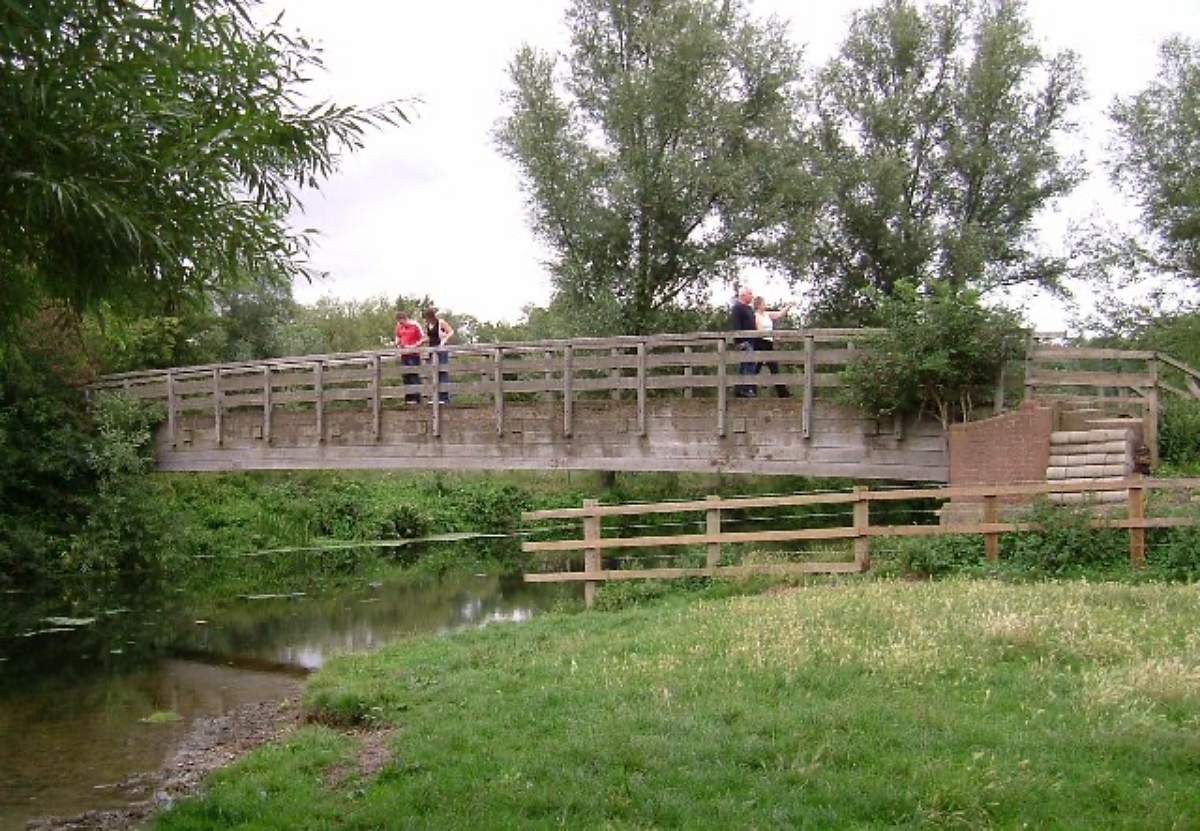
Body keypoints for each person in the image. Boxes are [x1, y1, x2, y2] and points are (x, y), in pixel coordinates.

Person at [753, 296, 793, 398]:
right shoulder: (756, 316)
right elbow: (760, 331)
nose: (765, 305)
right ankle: (749, 389)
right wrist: (774, 336)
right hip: (761, 343)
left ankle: (783, 393)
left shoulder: (767, 314)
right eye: (763, 303)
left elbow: (779, 314)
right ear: (759, 305)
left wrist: (789, 306)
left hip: (768, 343)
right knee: (756, 368)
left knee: (774, 368)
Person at [730, 285, 759, 397]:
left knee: (745, 364)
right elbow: (736, 325)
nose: (752, 296)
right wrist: (738, 342)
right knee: (750, 363)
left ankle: (740, 389)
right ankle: (746, 389)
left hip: (751, 339)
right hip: (744, 340)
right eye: (750, 293)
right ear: (743, 295)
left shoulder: (749, 308)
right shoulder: (738, 308)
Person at [422, 307, 454, 404]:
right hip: (432, 350)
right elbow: (430, 337)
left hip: (441, 350)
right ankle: (437, 397)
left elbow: (451, 332)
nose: (426, 319)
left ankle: (445, 398)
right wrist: (421, 341)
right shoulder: (428, 325)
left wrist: (444, 341)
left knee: (443, 372)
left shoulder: (440, 322)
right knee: (435, 373)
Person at [394, 310, 423, 403]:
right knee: (406, 376)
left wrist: (415, 345)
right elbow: (398, 337)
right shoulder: (399, 326)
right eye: (399, 322)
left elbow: (423, 337)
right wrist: (397, 344)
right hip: (404, 354)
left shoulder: (415, 325)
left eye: (401, 321)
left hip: (414, 354)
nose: (400, 323)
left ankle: (416, 398)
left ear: (405, 319)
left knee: (414, 375)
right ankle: (408, 398)